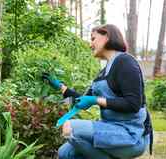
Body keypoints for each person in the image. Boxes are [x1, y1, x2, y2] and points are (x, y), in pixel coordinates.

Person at [42, 24, 153, 159]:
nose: (90, 44)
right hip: (111, 129)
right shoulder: (102, 74)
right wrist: (60, 86)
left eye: (93, 39)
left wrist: (95, 100)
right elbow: (82, 100)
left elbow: (133, 104)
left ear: (106, 37)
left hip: (132, 134)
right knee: (65, 153)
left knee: (71, 128)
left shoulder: (125, 62)